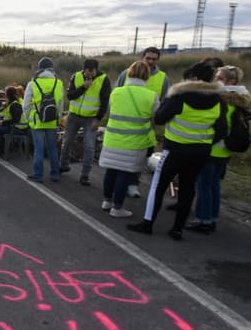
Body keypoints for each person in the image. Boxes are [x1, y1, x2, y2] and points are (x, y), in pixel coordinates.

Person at [127, 62, 227, 240]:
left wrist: (166, 101)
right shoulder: (218, 101)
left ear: (194, 79)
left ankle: (148, 223)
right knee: (188, 189)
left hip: (175, 149)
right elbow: (221, 130)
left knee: (159, 186)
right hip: (200, 152)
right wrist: (204, 140)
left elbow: (159, 118)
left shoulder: (180, 97)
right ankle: (177, 229)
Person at [187, 65, 251, 233]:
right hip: (225, 151)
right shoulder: (239, 98)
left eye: (219, 78)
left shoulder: (222, 99)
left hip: (213, 148)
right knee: (214, 185)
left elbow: (215, 125)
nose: (215, 81)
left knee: (204, 186)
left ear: (231, 81)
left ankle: (203, 220)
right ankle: (212, 218)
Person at [98, 61, 159, 217]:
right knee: (124, 174)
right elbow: (156, 118)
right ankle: (117, 208)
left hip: (113, 138)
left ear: (129, 74)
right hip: (134, 141)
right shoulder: (151, 96)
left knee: (111, 171)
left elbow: (112, 110)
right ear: (147, 76)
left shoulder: (116, 92)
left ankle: (107, 201)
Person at [116, 46, 171, 197]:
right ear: (142, 57)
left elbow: (166, 101)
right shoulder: (126, 74)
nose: (151, 61)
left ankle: (133, 184)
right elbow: (115, 95)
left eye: (154, 59)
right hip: (123, 124)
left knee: (140, 158)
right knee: (122, 156)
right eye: (148, 58)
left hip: (146, 126)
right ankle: (118, 183)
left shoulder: (163, 78)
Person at [59, 59, 110, 186]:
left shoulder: (103, 79)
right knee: (67, 141)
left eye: (92, 72)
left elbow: (105, 102)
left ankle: (85, 175)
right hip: (74, 116)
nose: (90, 74)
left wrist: (98, 119)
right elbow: (70, 96)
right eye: (88, 71)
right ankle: (63, 165)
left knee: (89, 146)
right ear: (84, 69)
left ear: (96, 70)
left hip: (91, 118)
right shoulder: (76, 76)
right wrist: (83, 87)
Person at [24, 56, 65, 182]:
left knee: (39, 149)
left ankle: (38, 174)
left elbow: (26, 104)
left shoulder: (33, 83)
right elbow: (60, 105)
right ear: (52, 69)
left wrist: (28, 118)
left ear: (39, 69)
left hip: (37, 121)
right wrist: (58, 119)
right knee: (52, 148)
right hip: (52, 121)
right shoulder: (58, 83)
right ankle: (55, 174)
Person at [0, 85, 25, 157]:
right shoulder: (10, 103)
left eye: (6, 93)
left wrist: (2, 122)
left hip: (18, 128)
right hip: (12, 125)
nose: (5, 95)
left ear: (9, 95)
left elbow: (16, 119)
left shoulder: (15, 105)